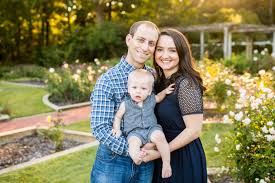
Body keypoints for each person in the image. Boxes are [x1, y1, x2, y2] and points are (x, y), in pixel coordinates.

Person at [90, 21, 160, 183]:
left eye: (151, 43)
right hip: (113, 163)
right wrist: (134, 150)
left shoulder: (153, 77)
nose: (145, 47)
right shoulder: (108, 80)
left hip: (146, 162)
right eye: (141, 40)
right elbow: (100, 128)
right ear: (129, 40)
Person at [142, 28, 208, 182]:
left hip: (182, 157)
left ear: (181, 53)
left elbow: (194, 130)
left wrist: (160, 153)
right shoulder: (158, 84)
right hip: (161, 156)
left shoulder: (186, 84)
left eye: (172, 50)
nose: (165, 56)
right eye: (160, 49)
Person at [112, 69, 174, 178]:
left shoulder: (151, 99)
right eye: (134, 88)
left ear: (149, 91)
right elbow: (117, 117)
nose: (138, 91)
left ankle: (166, 163)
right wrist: (117, 129)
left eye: (143, 88)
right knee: (133, 143)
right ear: (128, 89)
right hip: (134, 132)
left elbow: (159, 97)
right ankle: (137, 158)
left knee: (160, 137)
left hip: (151, 128)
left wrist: (165, 91)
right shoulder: (125, 104)